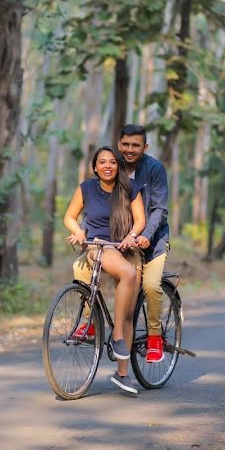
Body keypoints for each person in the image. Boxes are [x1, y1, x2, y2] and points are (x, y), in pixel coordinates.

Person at [63, 146, 147, 395]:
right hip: (101, 247)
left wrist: (132, 236)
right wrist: (78, 231)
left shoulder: (129, 189)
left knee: (130, 312)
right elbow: (69, 217)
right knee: (128, 274)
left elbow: (140, 219)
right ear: (95, 166)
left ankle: (123, 374)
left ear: (118, 166)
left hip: (125, 246)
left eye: (112, 162)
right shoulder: (86, 188)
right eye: (102, 162)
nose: (108, 166)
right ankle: (117, 335)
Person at [118, 124, 170, 364]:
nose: (130, 149)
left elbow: (160, 209)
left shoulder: (155, 169)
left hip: (154, 242)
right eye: (126, 144)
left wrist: (147, 233)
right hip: (123, 244)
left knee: (150, 286)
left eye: (135, 145)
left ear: (144, 147)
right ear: (119, 144)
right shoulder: (112, 167)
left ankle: (154, 337)